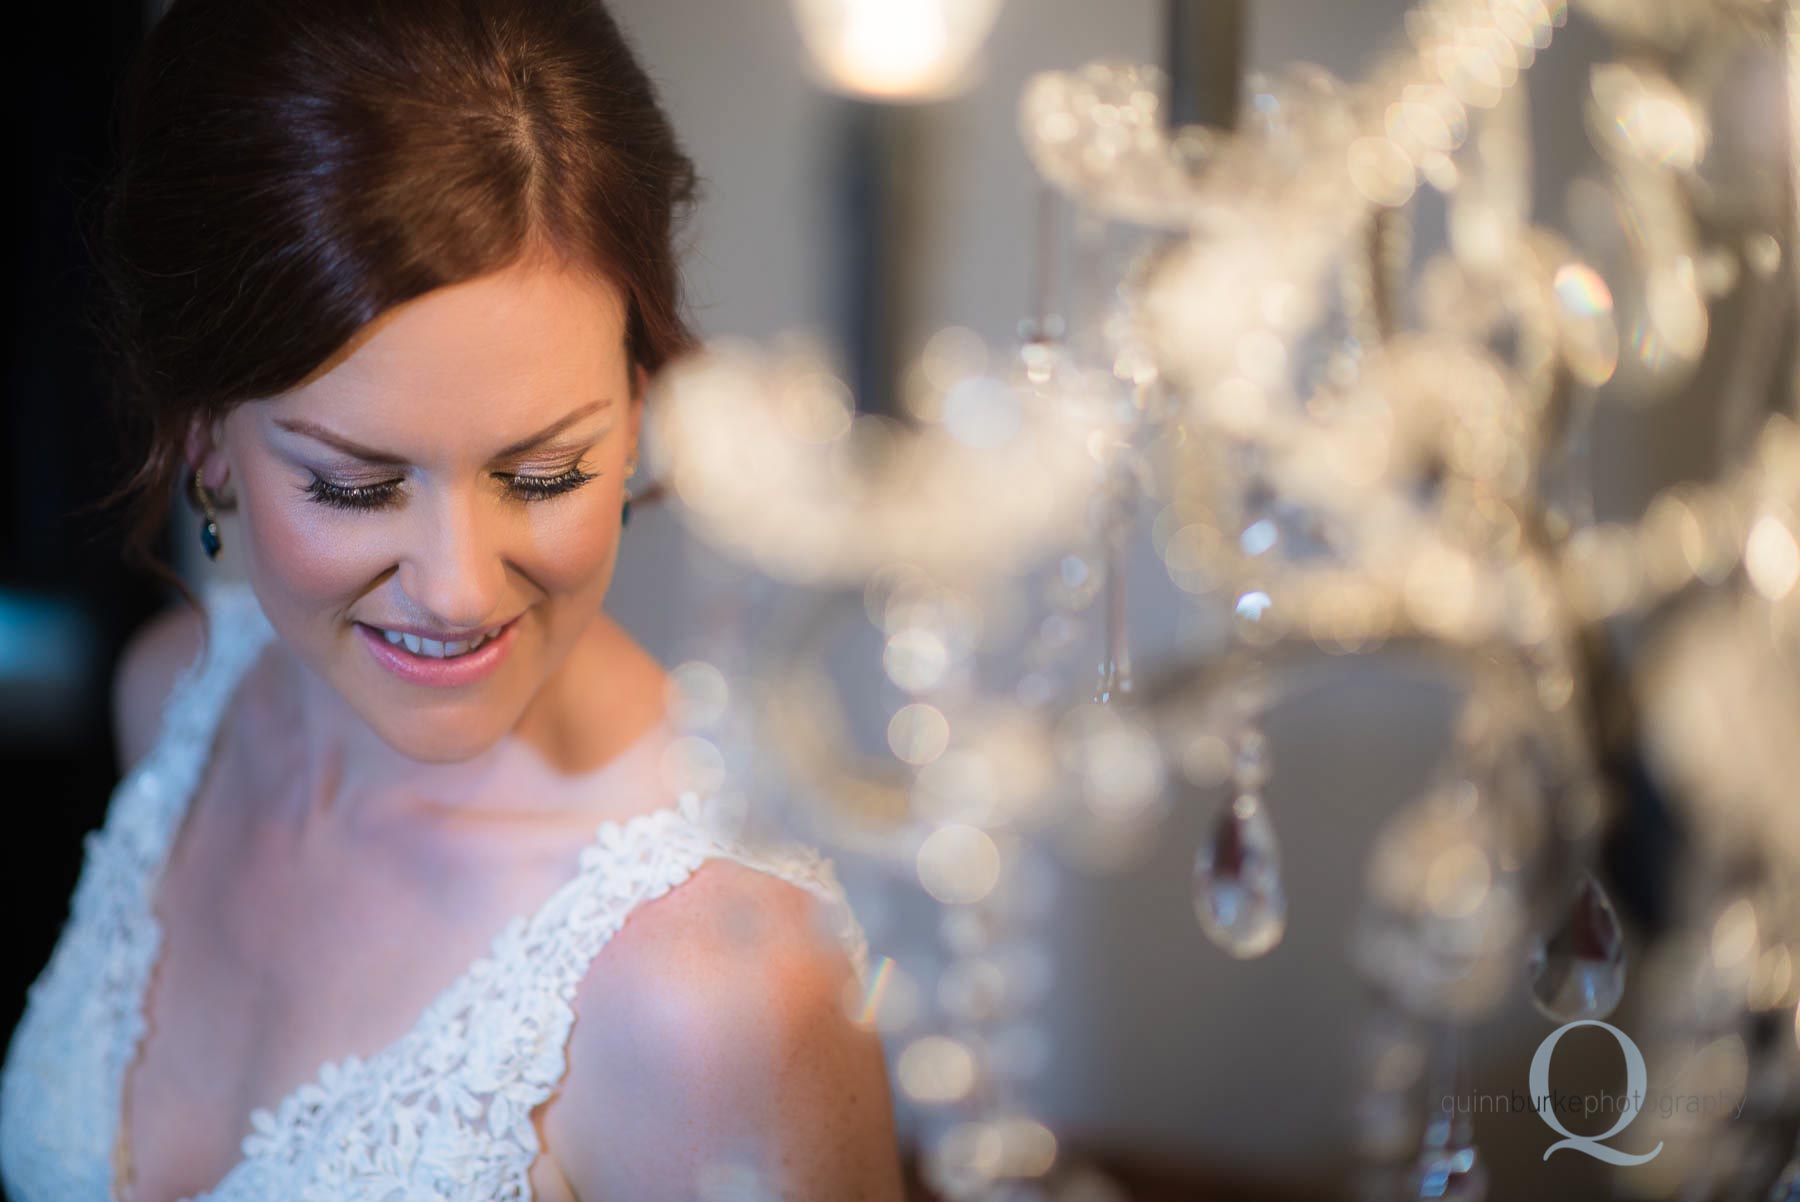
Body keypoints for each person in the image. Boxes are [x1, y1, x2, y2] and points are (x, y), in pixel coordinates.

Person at [0, 1, 906, 1199]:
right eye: (354, 484)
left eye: (543, 473)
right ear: (206, 441)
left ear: (639, 407)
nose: (458, 586)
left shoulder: (718, 995)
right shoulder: (174, 702)